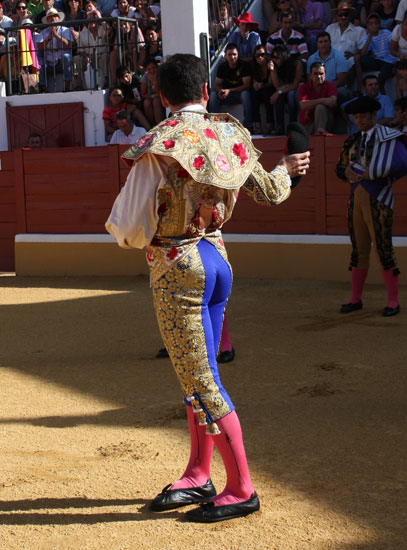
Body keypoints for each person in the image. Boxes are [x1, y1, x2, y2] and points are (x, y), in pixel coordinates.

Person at [105, 52, 310, 523]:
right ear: (205, 92)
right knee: (198, 373)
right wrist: (286, 169)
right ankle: (199, 472)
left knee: (201, 381)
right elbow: (272, 192)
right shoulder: (231, 133)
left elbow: (128, 225)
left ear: (161, 98)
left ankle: (241, 488)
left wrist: (143, 239)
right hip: (217, 261)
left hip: (180, 268)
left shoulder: (159, 143)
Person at [336, 95, 407, 316]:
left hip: (379, 199)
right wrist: (345, 171)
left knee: (384, 248)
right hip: (355, 198)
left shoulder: (387, 138)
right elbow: (339, 167)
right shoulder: (351, 141)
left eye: (363, 116)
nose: (359, 120)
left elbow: (401, 164)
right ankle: (355, 298)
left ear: (373, 115)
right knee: (359, 250)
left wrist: (374, 173)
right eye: (356, 117)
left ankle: (393, 301)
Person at [208, 42, 253, 133]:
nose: (232, 57)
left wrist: (229, 90)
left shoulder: (243, 66)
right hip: (227, 95)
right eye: (229, 54)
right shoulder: (222, 67)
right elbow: (216, 85)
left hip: (239, 95)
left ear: (238, 54)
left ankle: (248, 125)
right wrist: (220, 91)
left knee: (245, 94)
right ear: (225, 55)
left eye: (234, 54)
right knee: (213, 95)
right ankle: (215, 125)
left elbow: (246, 85)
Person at [325, 1, 366, 88]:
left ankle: (348, 89)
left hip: (348, 62)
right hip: (331, 60)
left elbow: (363, 51)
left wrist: (354, 54)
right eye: (340, 15)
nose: (343, 17)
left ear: (350, 15)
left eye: (346, 14)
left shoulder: (359, 31)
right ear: (336, 16)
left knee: (353, 61)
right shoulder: (330, 29)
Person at [306, 31, 352, 105]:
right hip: (317, 88)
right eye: (320, 42)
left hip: (334, 87)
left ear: (330, 42)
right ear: (317, 44)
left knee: (343, 92)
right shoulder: (312, 59)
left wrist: (325, 89)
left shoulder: (339, 57)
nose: (323, 44)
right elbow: (310, 79)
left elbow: (341, 81)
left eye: (325, 41)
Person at [359, 12, 398, 93]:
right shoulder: (368, 37)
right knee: (360, 58)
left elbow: (394, 48)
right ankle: (359, 89)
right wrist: (370, 36)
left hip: (389, 61)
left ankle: (383, 96)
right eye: (371, 24)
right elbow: (363, 52)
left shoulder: (386, 33)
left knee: (380, 78)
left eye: (376, 23)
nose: (373, 25)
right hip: (378, 61)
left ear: (379, 24)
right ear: (368, 26)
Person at [37, 7, 73, 92]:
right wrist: (48, 38)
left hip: (61, 62)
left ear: (58, 18)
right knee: (38, 61)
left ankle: (67, 86)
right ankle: (42, 88)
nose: (52, 19)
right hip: (48, 63)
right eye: (50, 17)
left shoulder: (65, 30)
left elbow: (68, 45)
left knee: (67, 56)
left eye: (54, 16)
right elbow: (39, 48)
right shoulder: (43, 32)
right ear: (48, 20)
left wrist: (56, 35)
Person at [269, 44, 303, 134]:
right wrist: (272, 70)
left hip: (298, 88)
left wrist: (279, 91)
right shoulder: (277, 65)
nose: (275, 60)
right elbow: (277, 85)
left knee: (291, 95)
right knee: (279, 97)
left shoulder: (297, 63)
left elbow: (295, 84)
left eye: (277, 57)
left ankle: (293, 126)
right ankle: (279, 126)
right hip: (285, 89)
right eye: (273, 57)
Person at [298, 61, 337, 134]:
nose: (319, 76)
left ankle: (320, 133)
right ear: (310, 75)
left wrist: (311, 106)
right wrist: (323, 100)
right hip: (308, 124)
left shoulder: (331, 86)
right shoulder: (303, 87)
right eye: (315, 74)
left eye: (321, 73)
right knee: (320, 106)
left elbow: (332, 102)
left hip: (327, 124)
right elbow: (303, 105)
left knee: (320, 107)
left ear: (325, 74)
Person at [250, 44, 274, 135]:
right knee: (253, 95)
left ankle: (269, 124)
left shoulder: (270, 64)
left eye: (262, 55)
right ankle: (257, 124)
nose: (260, 58)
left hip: (269, 87)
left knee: (267, 94)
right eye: (257, 56)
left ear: (266, 55)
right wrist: (256, 84)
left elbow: (270, 83)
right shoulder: (253, 65)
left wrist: (262, 85)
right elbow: (253, 81)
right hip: (259, 89)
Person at [140, 58, 165, 126]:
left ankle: (159, 124)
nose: (152, 70)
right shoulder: (145, 77)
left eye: (154, 68)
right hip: (151, 96)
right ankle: (152, 125)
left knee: (156, 101)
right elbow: (143, 94)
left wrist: (154, 82)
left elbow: (161, 92)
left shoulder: (160, 75)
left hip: (160, 96)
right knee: (146, 103)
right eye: (149, 69)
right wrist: (152, 96)